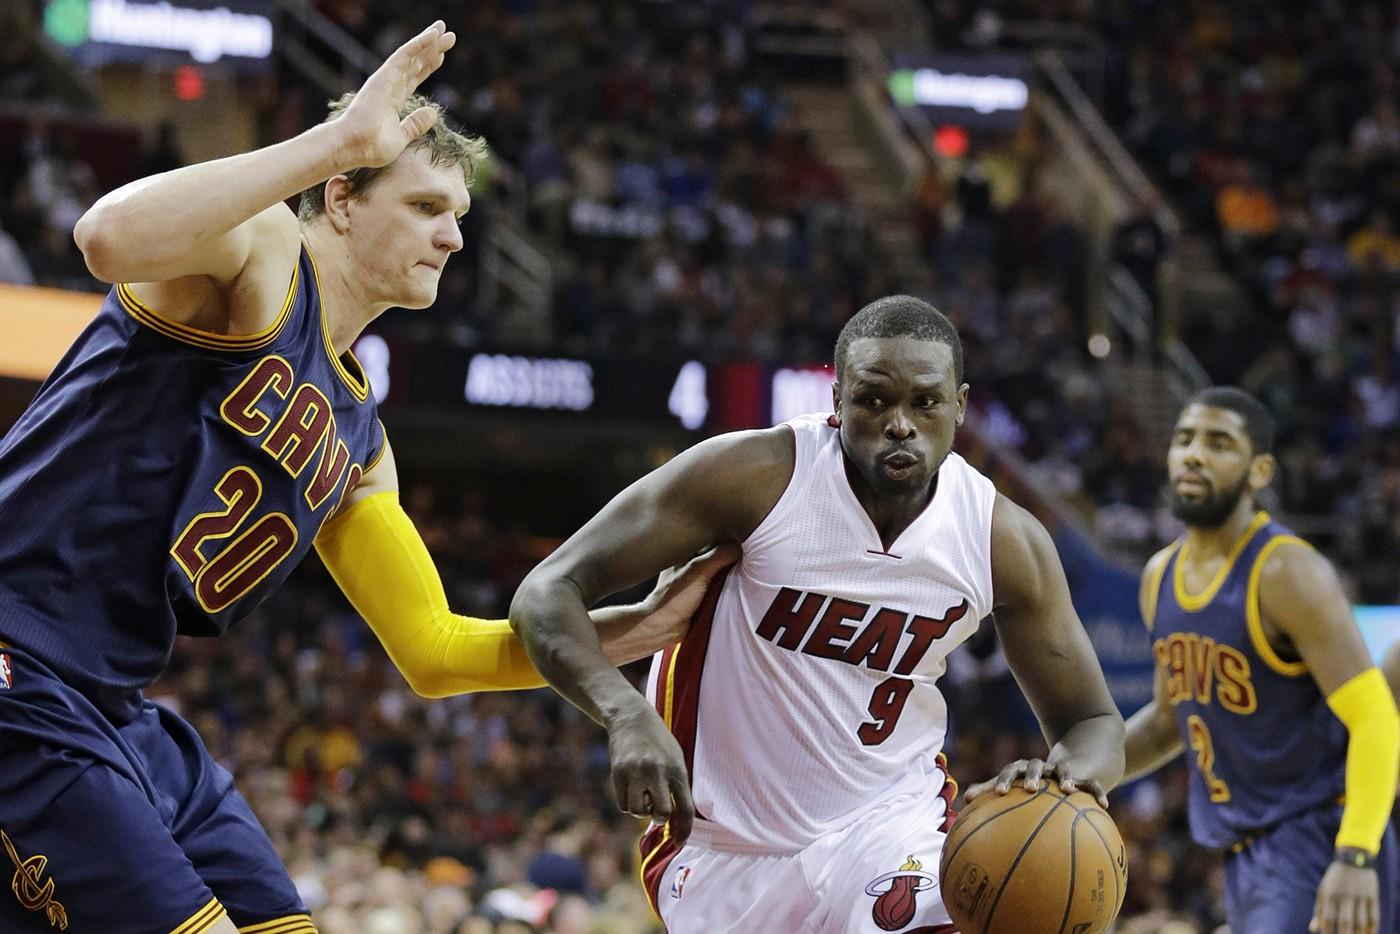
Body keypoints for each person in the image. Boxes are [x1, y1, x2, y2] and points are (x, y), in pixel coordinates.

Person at [0, 22, 735, 934]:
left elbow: (435, 651)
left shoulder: (360, 441)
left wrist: (636, 628)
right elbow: (106, 235)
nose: (453, 237)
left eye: (458, 216)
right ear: (342, 199)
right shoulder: (264, 254)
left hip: (116, 708)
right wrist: (335, 142)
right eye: (426, 206)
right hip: (18, 661)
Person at [510, 296, 1126, 932]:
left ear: (960, 406)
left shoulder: (1000, 538)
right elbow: (545, 593)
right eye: (874, 400)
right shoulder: (756, 477)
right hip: (725, 850)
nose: (900, 424)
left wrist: (1065, 775)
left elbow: (1093, 722)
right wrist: (625, 715)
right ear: (838, 401)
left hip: (891, 829)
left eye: (925, 402)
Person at [1122, 387, 1400, 934]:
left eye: (1219, 443)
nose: (1194, 454)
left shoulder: (1285, 571)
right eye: (1184, 439)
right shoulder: (1159, 576)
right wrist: (1074, 770)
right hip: (1245, 855)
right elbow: (1165, 723)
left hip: (1319, 837)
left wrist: (1356, 855)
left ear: (1260, 470)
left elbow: (1374, 717)